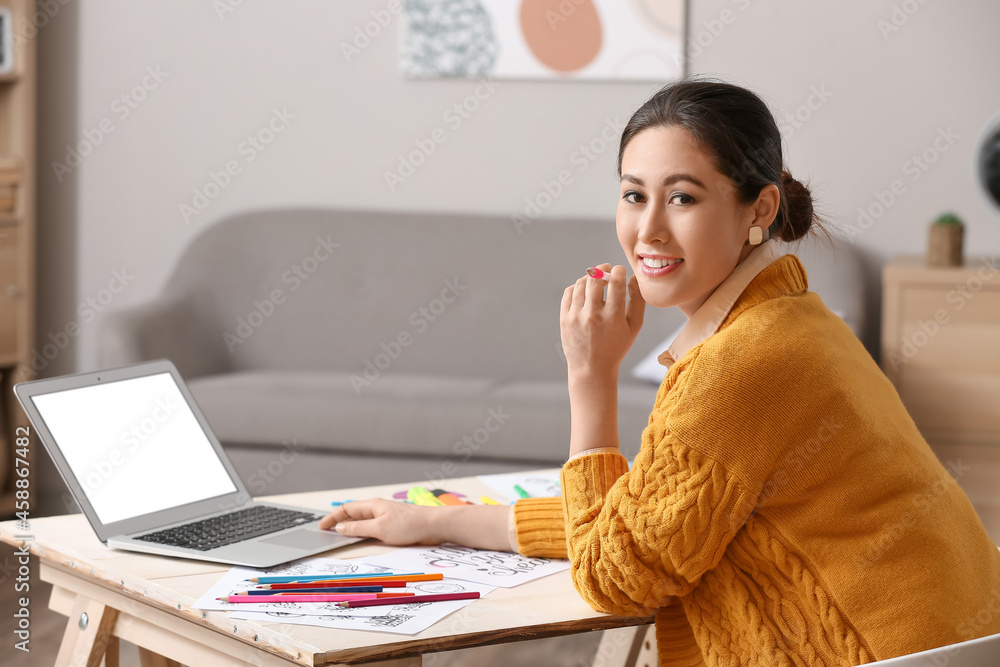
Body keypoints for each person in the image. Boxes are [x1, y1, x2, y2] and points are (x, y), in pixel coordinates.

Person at [319, 77, 1000, 665]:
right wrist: (433, 522)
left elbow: (615, 576)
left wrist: (591, 377)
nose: (647, 230)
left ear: (759, 209)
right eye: (633, 195)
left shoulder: (741, 365)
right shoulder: (794, 320)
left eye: (682, 198)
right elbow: (643, 521)